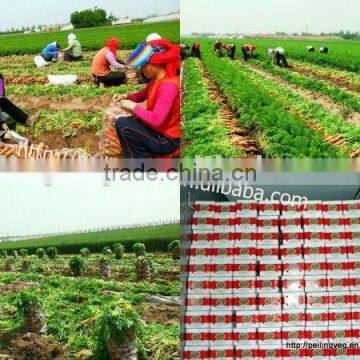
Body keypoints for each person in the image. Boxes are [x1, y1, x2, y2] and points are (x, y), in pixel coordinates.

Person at [114, 39, 180, 158]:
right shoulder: (157, 80)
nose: (142, 70)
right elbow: (142, 95)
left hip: (167, 140)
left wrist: (134, 106)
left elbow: (156, 119)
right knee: (133, 119)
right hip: (159, 131)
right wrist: (125, 96)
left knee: (122, 124)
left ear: (157, 63)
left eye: (144, 65)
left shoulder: (167, 86)